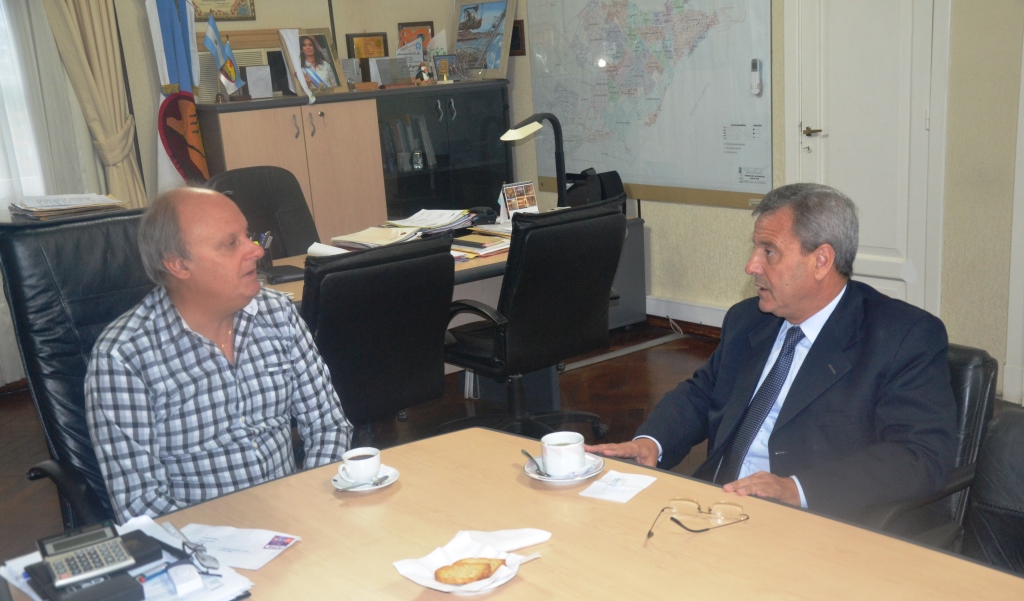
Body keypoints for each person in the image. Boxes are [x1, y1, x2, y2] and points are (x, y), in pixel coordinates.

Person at [587, 183, 956, 522]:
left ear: (821, 260)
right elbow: (701, 395)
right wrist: (650, 443)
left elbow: (919, 456)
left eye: (769, 252)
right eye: (755, 248)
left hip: (811, 525)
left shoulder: (902, 337)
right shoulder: (749, 319)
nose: (751, 266)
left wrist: (796, 489)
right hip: (715, 506)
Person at [86, 188, 352, 523]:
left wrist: (311, 504)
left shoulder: (277, 313)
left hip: (296, 517)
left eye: (248, 236)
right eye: (231, 244)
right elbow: (140, 503)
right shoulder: (124, 357)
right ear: (178, 264)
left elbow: (328, 425)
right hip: (205, 547)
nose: (256, 250)